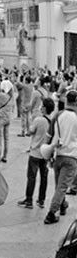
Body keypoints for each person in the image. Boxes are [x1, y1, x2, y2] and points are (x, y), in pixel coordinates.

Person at [45, 91, 77, 224]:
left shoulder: (58, 115)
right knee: (62, 186)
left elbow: (49, 136)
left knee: (59, 185)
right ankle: (51, 213)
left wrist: (48, 154)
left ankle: (62, 205)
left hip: (58, 154)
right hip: (72, 156)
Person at [18, 97, 54, 209]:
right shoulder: (53, 121)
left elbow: (30, 132)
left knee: (31, 177)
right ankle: (41, 200)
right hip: (46, 153)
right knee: (44, 177)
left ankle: (29, 200)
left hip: (35, 153)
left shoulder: (38, 120)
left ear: (44, 108)